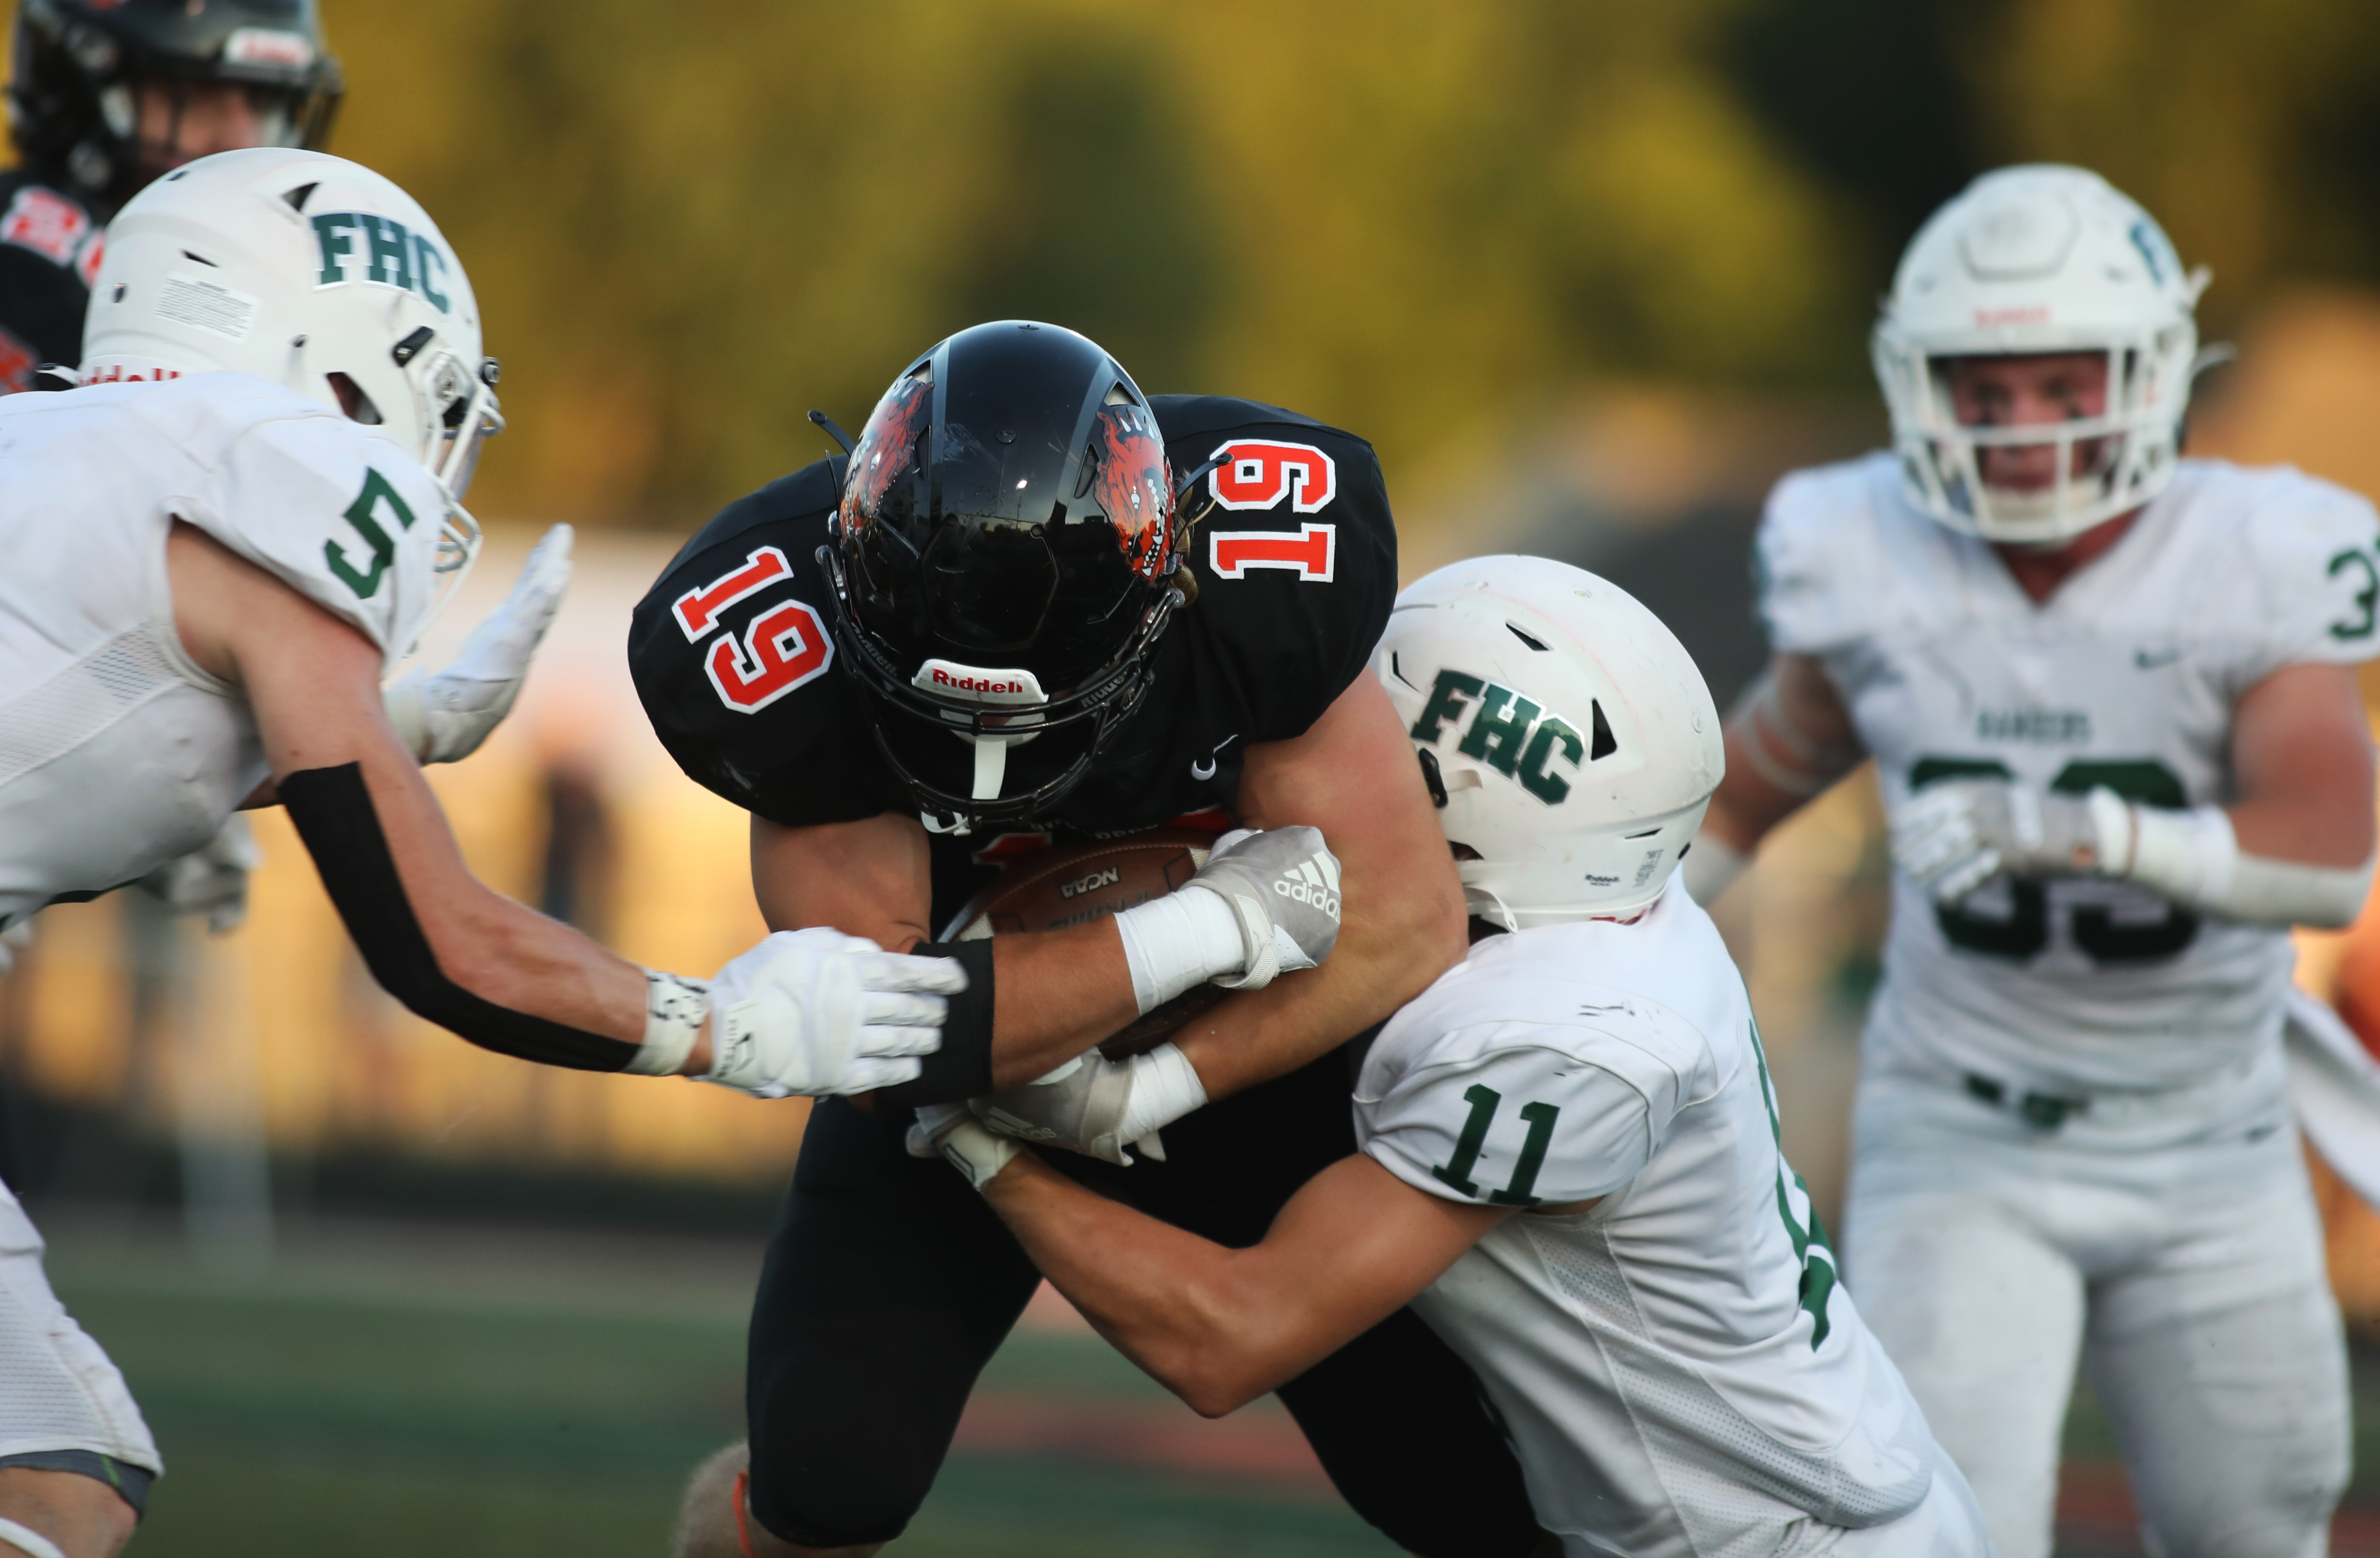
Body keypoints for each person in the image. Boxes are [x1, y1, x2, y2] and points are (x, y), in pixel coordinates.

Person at [0, 146, 961, 1558]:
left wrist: (391, 727)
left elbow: (68, 735)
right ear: (335, 362)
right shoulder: (280, 469)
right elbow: (438, 941)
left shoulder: (51, 445)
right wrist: (725, 1028)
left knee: (49, 1475)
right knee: (53, 1476)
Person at [629, 320, 1549, 1558]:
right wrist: (1204, 925)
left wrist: (1163, 1082)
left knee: (1474, 1495)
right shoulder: (764, 635)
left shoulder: (1264, 578)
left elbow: (1398, 926)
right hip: (963, 1089)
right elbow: (898, 1024)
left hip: (1261, 1042)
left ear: (1170, 581)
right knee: (826, 1477)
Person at [917, 556, 1991, 1558]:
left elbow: (1227, 1340)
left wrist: (973, 1139)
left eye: (1374, 757)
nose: (1331, 773)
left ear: (1450, 797)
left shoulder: (1549, 1035)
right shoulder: (1619, 916)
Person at [1683, 163, 2379, 1558]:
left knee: (2253, 1527)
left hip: (2206, 1130)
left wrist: (2088, 832)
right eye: (1980, 388)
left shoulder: (2255, 546)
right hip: (1961, 1128)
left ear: (2153, 371)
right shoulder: (1858, 539)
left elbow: (2326, 848)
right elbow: (1750, 785)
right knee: (1936, 1529)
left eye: (2062, 386)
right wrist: (1596, 917)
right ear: (1915, 383)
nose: (2020, 430)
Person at [2, 0, 341, 394]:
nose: (241, 140)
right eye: (196, 98)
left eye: (263, 103)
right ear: (78, 89)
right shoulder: (31, 264)